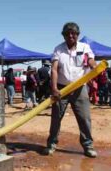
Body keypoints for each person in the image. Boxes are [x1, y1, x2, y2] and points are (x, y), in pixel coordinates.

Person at [43, 22, 97, 158]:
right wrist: (54, 88)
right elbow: (54, 69)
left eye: (73, 33)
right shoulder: (58, 49)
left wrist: (95, 66)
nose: (70, 36)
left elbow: (90, 61)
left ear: (78, 35)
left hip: (79, 88)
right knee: (56, 118)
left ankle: (88, 146)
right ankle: (51, 144)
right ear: (64, 36)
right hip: (61, 89)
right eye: (67, 33)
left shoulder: (85, 47)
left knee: (84, 118)